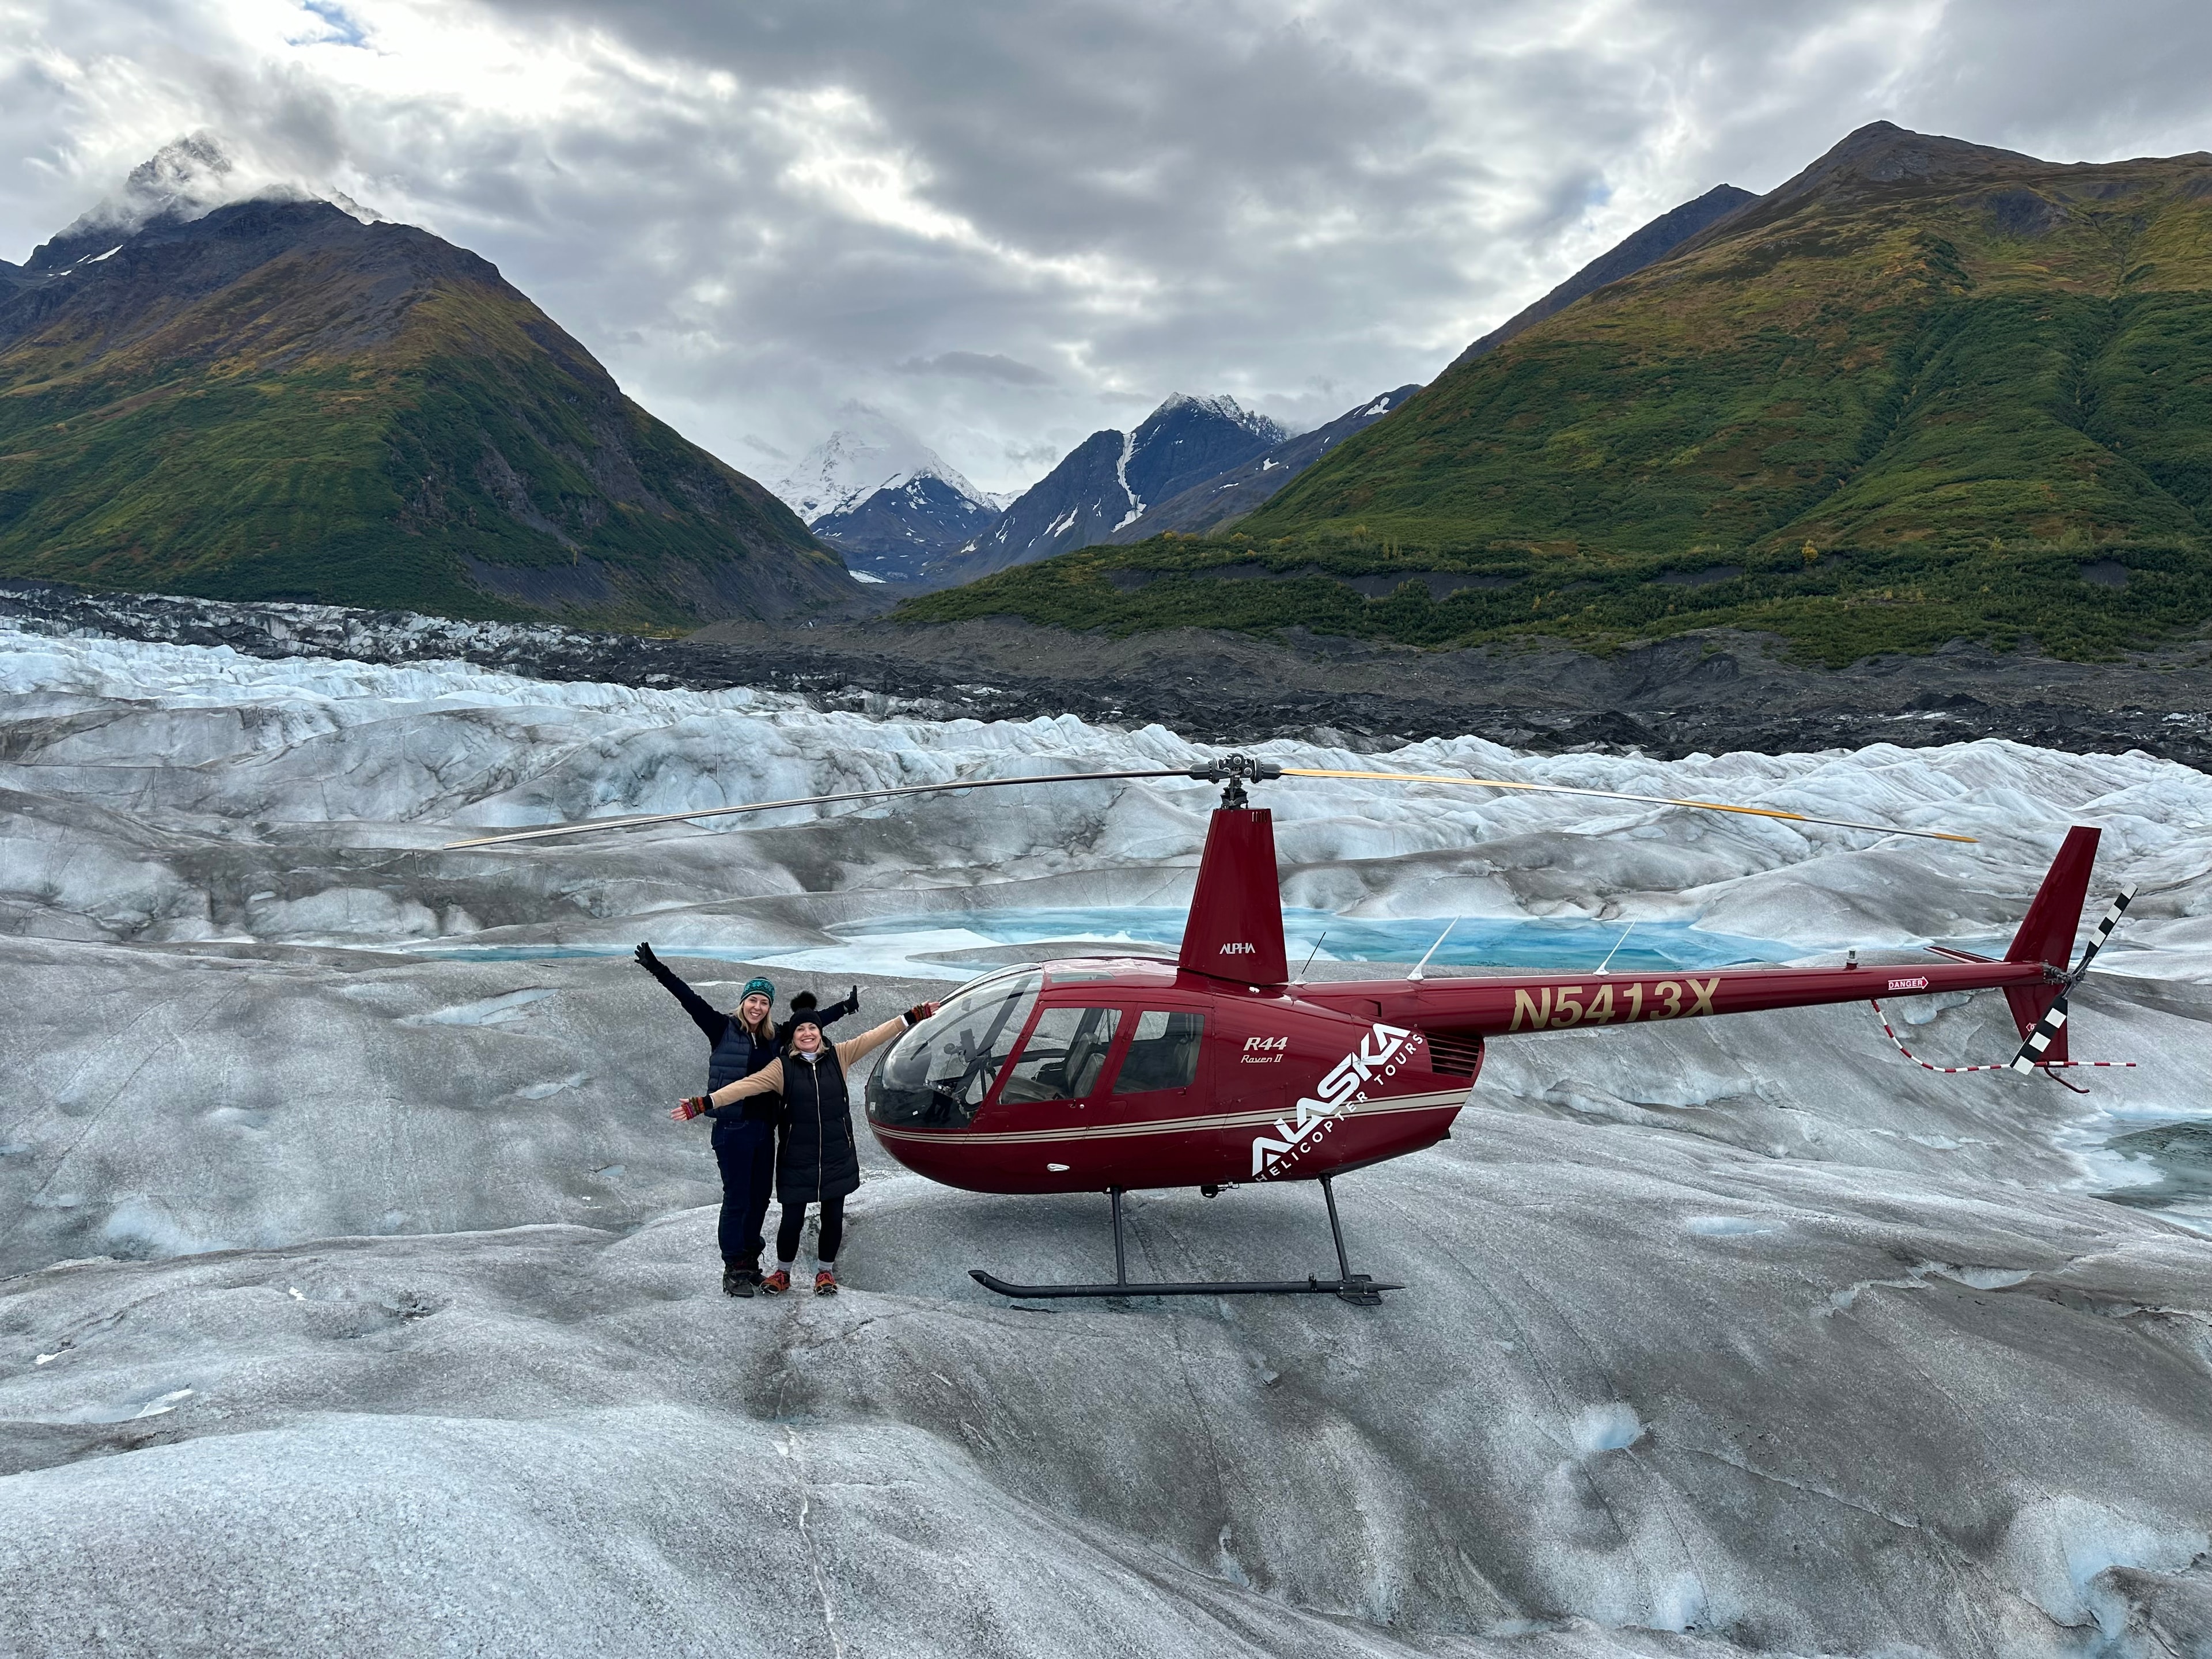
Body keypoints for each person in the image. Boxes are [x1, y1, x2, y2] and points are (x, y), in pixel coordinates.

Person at [633, 942, 857, 1296]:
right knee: (738, 1197)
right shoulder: (721, 1028)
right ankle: (734, 1267)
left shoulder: (774, 1038)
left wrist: (844, 1008)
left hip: (764, 1130)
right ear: (743, 1002)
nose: (757, 1007)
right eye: (753, 1000)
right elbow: (687, 998)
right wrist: (658, 970)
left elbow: (809, 1026)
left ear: (769, 1008)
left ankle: (751, 1262)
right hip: (732, 1129)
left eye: (764, 1002)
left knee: (759, 1199)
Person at [672, 999, 937, 1296]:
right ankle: (783, 1273)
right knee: (792, 1219)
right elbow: (746, 1086)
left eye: (813, 1027)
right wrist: (705, 1102)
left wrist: (912, 1016)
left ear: (821, 1033)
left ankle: (825, 1273)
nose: (807, 1033)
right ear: (794, 1037)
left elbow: (876, 1035)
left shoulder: (841, 1055)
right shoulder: (781, 1068)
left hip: (837, 1155)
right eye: (801, 1029)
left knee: (832, 1217)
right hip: (797, 1156)